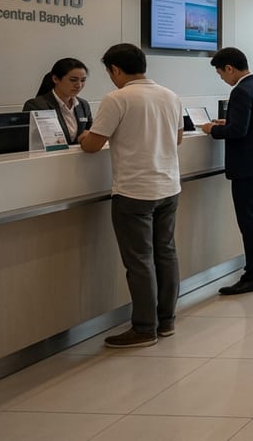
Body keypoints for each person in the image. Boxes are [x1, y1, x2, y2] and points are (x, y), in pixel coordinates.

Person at [79, 44, 182, 348]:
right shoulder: (170, 95)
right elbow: (176, 138)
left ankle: (144, 328)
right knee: (166, 254)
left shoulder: (117, 98)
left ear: (116, 70)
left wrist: (86, 136)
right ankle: (166, 322)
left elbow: (92, 146)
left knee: (139, 262)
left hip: (134, 191)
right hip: (168, 188)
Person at [203, 47, 253, 295]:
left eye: (221, 74)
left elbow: (238, 132)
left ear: (229, 68)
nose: (223, 79)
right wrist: (230, 123)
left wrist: (212, 129)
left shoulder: (241, 91)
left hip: (248, 166)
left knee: (250, 221)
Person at [23, 57, 93, 145]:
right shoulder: (37, 105)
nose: (79, 85)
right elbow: (33, 141)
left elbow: (89, 132)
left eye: (83, 80)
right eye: (73, 80)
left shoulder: (83, 105)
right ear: (56, 79)